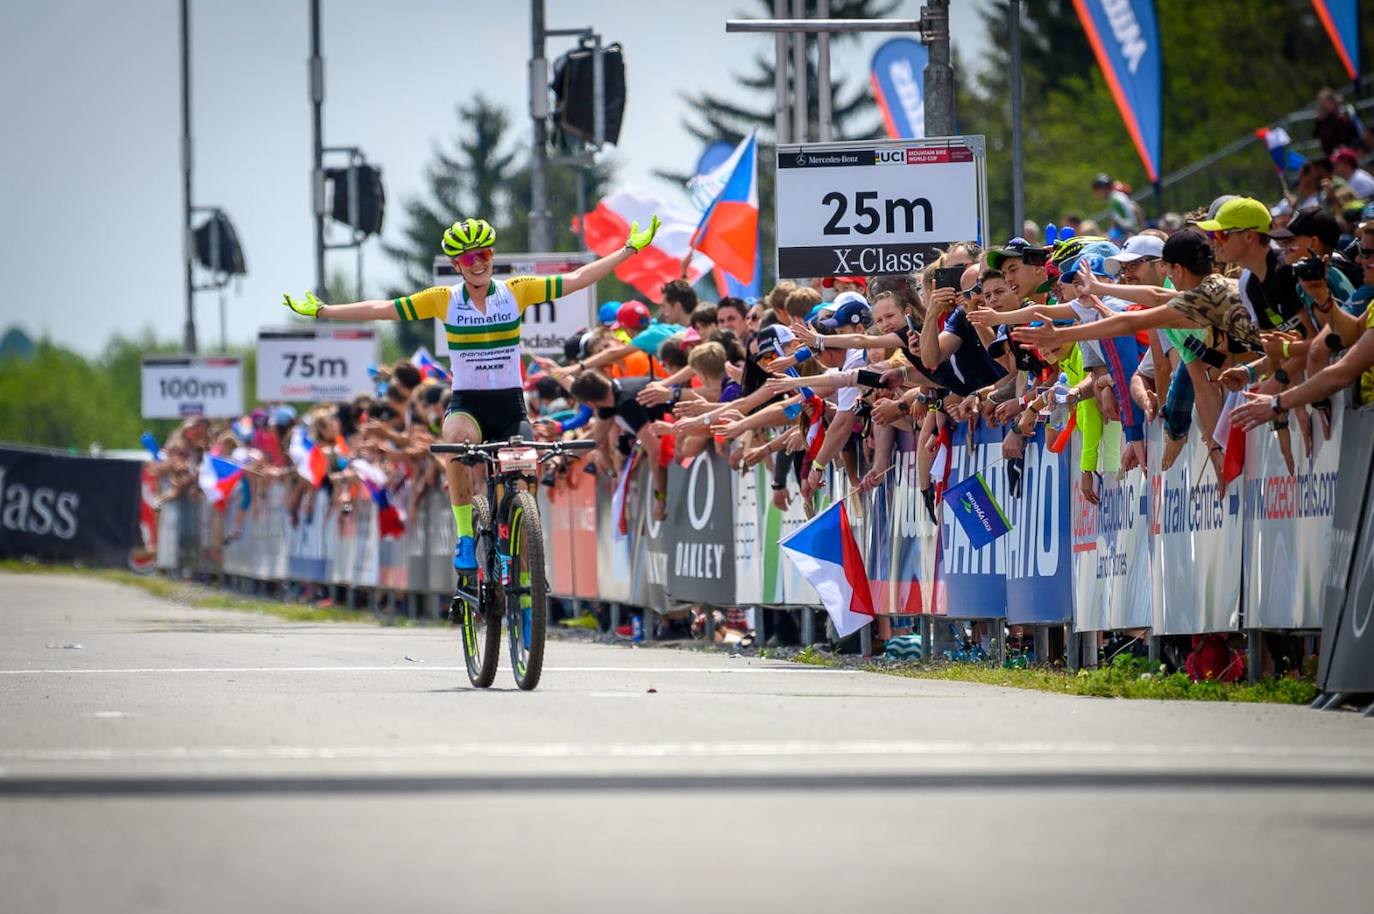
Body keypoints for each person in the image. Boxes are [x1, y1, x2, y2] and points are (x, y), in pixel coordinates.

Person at [282, 214, 662, 574]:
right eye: (468, 258)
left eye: (483, 254)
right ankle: (466, 536)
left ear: (491, 256)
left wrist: (629, 249)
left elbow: (579, 278)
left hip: (510, 402)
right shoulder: (443, 299)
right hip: (469, 404)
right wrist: (324, 311)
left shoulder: (517, 290)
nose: (477, 263)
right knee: (457, 444)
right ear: (457, 264)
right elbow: (383, 309)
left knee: (524, 470)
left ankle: (516, 542)